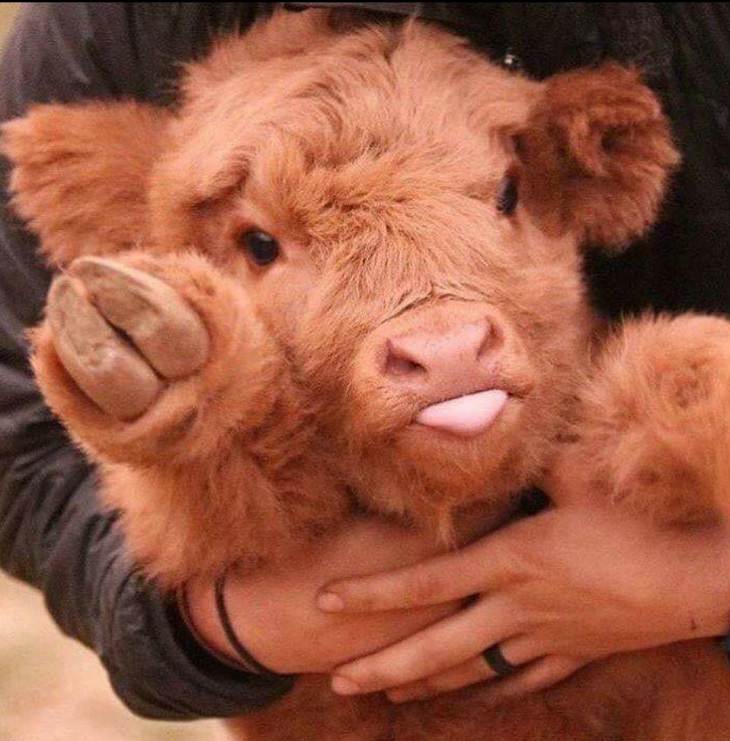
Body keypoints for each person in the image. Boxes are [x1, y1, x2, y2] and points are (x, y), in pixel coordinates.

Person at [2, 0, 730, 723]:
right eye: (261, 246)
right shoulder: (98, 31)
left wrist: (707, 581)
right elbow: (18, 438)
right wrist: (215, 624)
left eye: (503, 196)